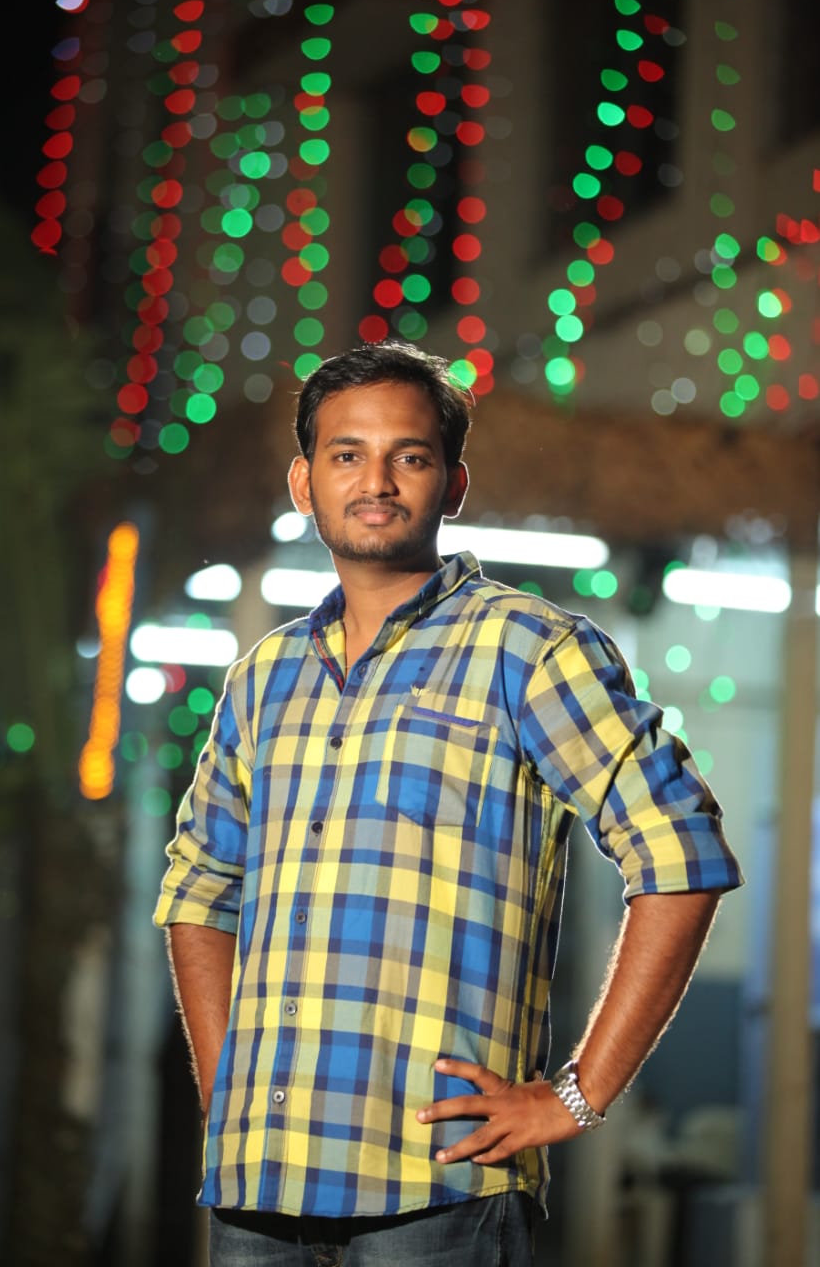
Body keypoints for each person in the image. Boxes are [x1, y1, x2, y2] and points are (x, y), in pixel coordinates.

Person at [154, 341, 742, 1265]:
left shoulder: (528, 649)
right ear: (304, 482)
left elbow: (680, 852)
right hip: (257, 1193)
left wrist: (576, 1094)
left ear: (453, 484)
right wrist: (227, 1090)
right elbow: (199, 890)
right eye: (347, 454)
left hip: (437, 1192)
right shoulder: (263, 677)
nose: (376, 481)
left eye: (410, 455)